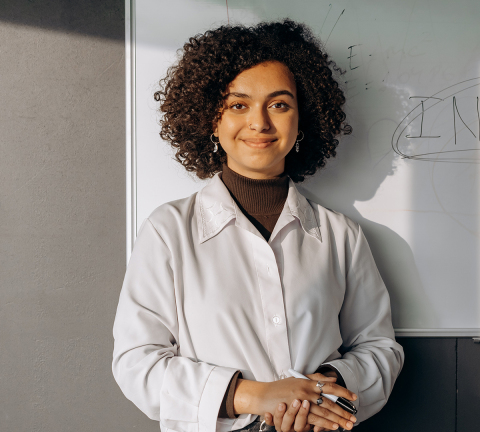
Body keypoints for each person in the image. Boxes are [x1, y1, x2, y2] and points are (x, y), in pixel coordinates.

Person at [112, 20, 404, 432]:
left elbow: (379, 348)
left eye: (279, 104)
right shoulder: (168, 231)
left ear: (302, 121)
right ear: (210, 120)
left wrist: (322, 391)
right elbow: (137, 362)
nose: (260, 123)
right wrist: (253, 395)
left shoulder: (341, 236)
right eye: (238, 105)